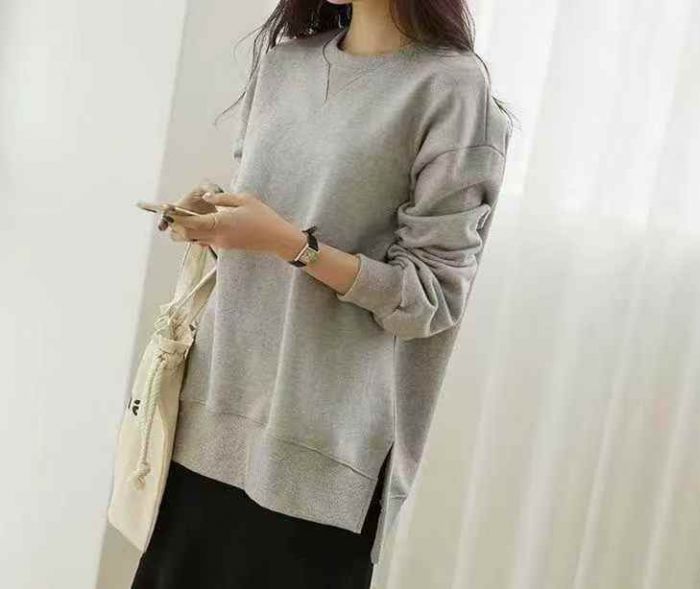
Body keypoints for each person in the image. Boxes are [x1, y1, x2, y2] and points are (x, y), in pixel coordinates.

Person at [131, 0, 512, 587]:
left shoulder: (452, 88)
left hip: (322, 454)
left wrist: (290, 245)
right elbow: (266, 215)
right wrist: (216, 222)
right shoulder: (284, 65)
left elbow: (430, 299)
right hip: (208, 423)